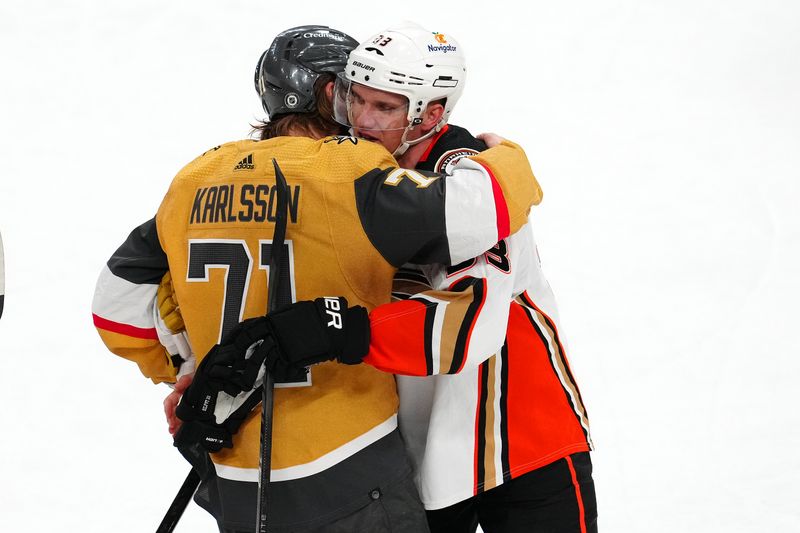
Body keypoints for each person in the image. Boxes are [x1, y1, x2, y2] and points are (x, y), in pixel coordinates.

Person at [92, 25, 541, 533]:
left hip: (232, 470)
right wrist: (504, 154)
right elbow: (481, 209)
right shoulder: (350, 171)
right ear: (333, 93)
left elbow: (117, 307)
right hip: (350, 467)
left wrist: (194, 366)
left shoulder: (193, 180)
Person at [265, 23, 598, 532]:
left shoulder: (469, 183)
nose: (364, 120)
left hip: (522, 439)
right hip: (422, 452)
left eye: (386, 108)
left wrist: (340, 331)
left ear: (432, 113)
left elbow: (471, 320)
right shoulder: (357, 176)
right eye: (358, 100)